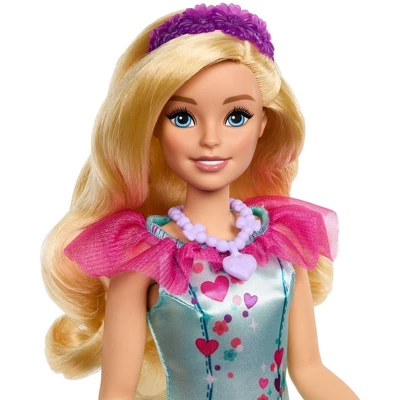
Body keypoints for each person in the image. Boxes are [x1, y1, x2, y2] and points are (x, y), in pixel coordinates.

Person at [42, 3, 359, 399]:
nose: (211, 139)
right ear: (154, 126)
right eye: (183, 117)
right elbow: (117, 390)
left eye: (236, 116)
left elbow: (310, 370)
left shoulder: (283, 242)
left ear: (263, 123)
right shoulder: (145, 257)